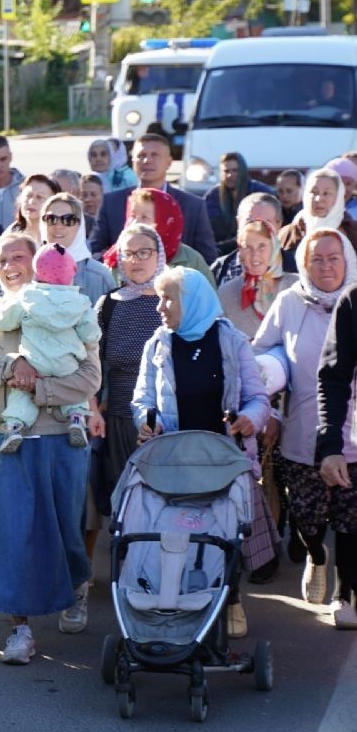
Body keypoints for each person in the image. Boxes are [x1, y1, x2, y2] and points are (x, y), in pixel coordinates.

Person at [0, 233, 102, 663]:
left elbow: (89, 378)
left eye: (18, 257)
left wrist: (40, 389)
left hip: (65, 436)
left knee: (65, 527)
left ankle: (77, 584)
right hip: (8, 438)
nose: (10, 266)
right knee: (11, 534)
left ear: (38, 262)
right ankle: (19, 629)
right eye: (1, 260)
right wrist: (12, 365)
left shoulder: (71, 306)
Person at [133, 266, 270, 638]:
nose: (160, 307)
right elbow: (143, 398)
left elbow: (259, 400)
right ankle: (173, 600)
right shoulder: (157, 345)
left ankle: (232, 598)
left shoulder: (232, 341)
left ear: (191, 302)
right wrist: (146, 422)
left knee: (226, 532)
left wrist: (248, 419)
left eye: (168, 298)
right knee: (177, 531)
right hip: (175, 459)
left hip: (223, 458)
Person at [254, 227, 357, 623]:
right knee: (308, 518)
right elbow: (261, 356)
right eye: (317, 259)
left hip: (351, 436)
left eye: (334, 258)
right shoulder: (289, 303)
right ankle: (316, 555)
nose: (326, 266)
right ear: (304, 263)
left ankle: (345, 596)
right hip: (302, 433)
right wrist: (274, 410)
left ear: (347, 259)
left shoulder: (352, 302)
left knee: (350, 523)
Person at [88, 224, 166, 564]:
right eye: (129, 253)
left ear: (160, 255)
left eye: (144, 252)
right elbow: (91, 363)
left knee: (163, 501)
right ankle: (129, 575)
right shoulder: (108, 305)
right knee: (126, 502)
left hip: (166, 421)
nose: (136, 260)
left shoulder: (173, 299)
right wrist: (93, 408)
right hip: (119, 418)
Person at [0, 243, 100, 452]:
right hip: (67, 362)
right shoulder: (80, 301)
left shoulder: (27, 296)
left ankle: (15, 426)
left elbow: (4, 321)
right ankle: (76, 418)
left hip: (35, 361)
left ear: (37, 272)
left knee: (23, 394)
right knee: (74, 395)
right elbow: (90, 333)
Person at [90, 133, 217, 261]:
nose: (147, 160)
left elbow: (208, 259)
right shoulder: (111, 203)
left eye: (155, 155)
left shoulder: (193, 206)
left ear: (169, 162)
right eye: (141, 156)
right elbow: (94, 253)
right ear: (132, 161)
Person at [217, 216, 295, 337]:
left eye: (262, 246)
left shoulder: (296, 287)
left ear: (274, 247)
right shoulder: (226, 294)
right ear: (240, 251)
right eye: (247, 247)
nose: (255, 255)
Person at [119, 187, 213, 282]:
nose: (136, 222)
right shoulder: (117, 257)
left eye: (145, 217)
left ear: (165, 222)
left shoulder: (191, 260)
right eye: (133, 216)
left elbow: (207, 295)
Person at [40, 193, 115, 307]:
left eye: (68, 220)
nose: (58, 226)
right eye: (51, 219)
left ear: (80, 226)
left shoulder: (99, 277)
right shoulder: (28, 271)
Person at [207, 153, 274, 258]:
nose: (230, 175)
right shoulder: (212, 196)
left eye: (235, 170)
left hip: (254, 249)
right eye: (226, 171)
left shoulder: (259, 192)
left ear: (242, 171)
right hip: (217, 252)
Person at [279, 167, 357, 253]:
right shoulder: (288, 234)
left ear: (338, 197)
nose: (319, 199)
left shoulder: (352, 233)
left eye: (326, 193)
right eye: (314, 192)